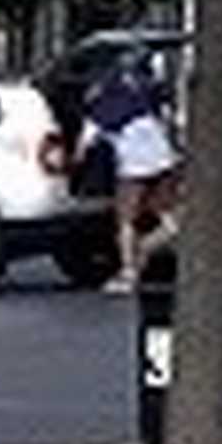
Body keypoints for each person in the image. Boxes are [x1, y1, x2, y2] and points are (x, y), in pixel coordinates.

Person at [87, 45, 183, 282]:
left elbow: (87, 140)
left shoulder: (105, 103)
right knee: (168, 216)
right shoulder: (150, 97)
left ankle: (129, 269)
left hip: (133, 166)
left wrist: (76, 161)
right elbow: (171, 123)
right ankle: (149, 245)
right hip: (163, 161)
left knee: (126, 220)